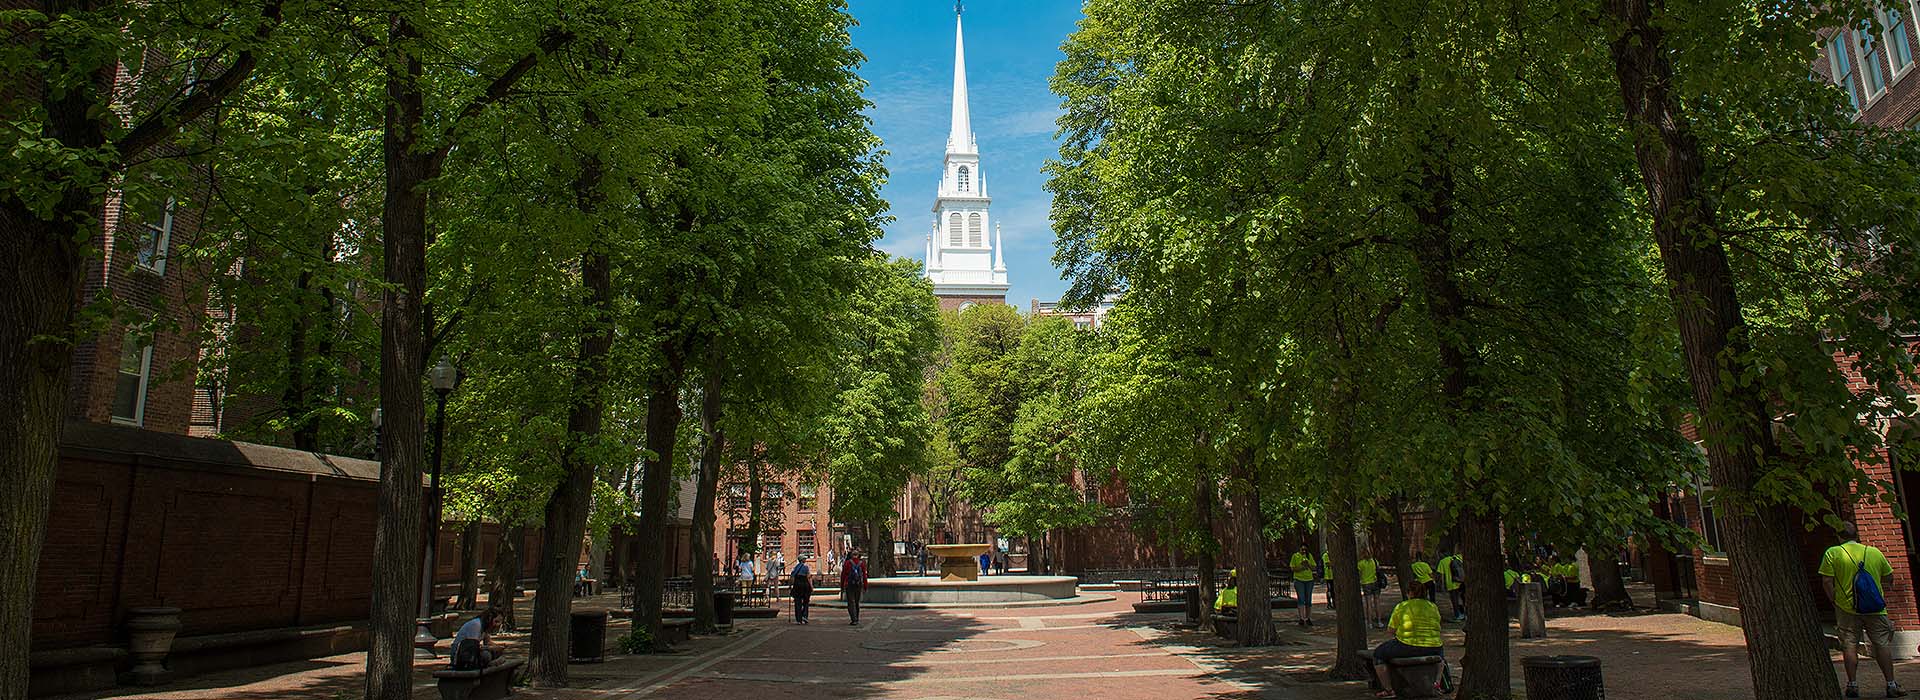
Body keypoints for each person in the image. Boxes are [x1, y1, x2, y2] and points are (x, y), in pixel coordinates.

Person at [1820, 528, 1905, 698]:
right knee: (1881, 643)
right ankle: (1891, 684)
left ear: (1839, 536)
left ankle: (1852, 684)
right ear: (1857, 536)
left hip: (1847, 608)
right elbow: (1889, 577)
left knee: (1849, 645)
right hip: (1875, 608)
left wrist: (1835, 600)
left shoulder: (1833, 553)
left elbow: (1827, 581)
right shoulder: (1874, 552)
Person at [1366, 580, 1445, 698]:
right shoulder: (1432, 606)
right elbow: (1438, 624)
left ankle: (1388, 689)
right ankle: (1437, 683)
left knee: (1378, 654)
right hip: (1434, 646)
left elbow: (1391, 630)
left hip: (1408, 645)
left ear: (1410, 593)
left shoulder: (1402, 606)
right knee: (1441, 658)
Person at [1290, 543, 1318, 627]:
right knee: (1301, 599)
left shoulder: (1309, 556)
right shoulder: (1295, 556)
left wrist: (1308, 564)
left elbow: (1314, 567)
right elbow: (1293, 568)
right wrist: (1301, 566)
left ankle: (1308, 618)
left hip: (1309, 580)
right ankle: (1302, 618)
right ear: (1299, 549)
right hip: (1299, 580)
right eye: (1302, 549)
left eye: (1305, 550)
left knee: (1308, 599)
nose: (1304, 551)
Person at [1358, 550, 1385, 629]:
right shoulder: (1374, 561)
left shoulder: (1360, 563)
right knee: (1377, 603)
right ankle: (1379, 621)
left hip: (1366, 583)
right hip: (1375, 582)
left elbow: (1359, 574)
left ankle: (1370, 623)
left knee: (1368, 604)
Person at [842, 550, 868, 626]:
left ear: (851, 555)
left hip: (849, 584)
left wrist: (842, 585)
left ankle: (854, 619)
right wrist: (865, 586)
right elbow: (864, 575)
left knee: (851, 602)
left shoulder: (847, 563)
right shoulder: (861, 563)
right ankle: (857, 617)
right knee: (857, 602)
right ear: (858, 555)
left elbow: (843, 575)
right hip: (858, 584)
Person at [1439, 550, 1465, 621]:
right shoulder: (1457, 558)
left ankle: (1457, 615)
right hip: (1461, 582)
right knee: (1463, 598)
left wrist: (1442, 586)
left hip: (1450, 583)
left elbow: (1441, 576)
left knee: (1454, 600)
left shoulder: (1442, 562)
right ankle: (1465, 614)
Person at [790, 556, 814, 624]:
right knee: (806, 601)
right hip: (805, 585)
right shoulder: (806, 567)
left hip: (797, 585)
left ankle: (798, 619)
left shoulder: (796, 567)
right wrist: (811, 587)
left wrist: (790, 585)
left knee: (798, 602)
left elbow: (792, 577)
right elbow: (808, 577)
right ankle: (805, 616)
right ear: (803, 560)